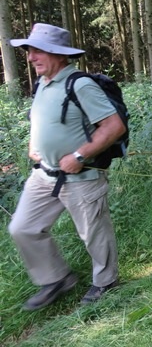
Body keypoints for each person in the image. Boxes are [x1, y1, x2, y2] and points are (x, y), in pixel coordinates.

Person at [8, 23, 126, 311]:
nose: (30, 57)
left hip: (82, 178)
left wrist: (80, 155)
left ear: (59, 55)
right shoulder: (43, 84)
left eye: (37, 51)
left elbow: (113, 126)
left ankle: (106, 282)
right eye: (29, 51)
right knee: (22, 228)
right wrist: (34, 146)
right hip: (44, 176)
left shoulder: (80, 84)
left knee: (94, 235)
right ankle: (57, 278)